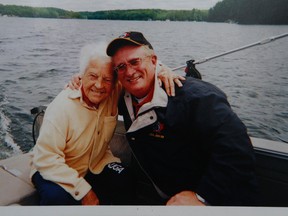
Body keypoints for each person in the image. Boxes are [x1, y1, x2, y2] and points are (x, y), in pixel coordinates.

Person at [69, 31, 258, 206]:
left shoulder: (197, 98)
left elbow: (239, 151)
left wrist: (202, 197)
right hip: (167, 197)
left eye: (135, 62)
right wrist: (83, 79)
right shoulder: (122, 97)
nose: (129, 71)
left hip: (218, 200)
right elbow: (99, 87)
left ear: (154, 61)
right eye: (121, 67)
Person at [30, 41, 183, 205]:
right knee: (57, 198)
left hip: (96, 163)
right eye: (93, 76)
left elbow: (139, 69)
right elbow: (46, 159)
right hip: (54, 169)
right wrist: (84, 191)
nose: (99, 85)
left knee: (125, 178)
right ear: (82, 75)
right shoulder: (61, 107)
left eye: (107, 79)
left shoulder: (113, 91)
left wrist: (163, 70)